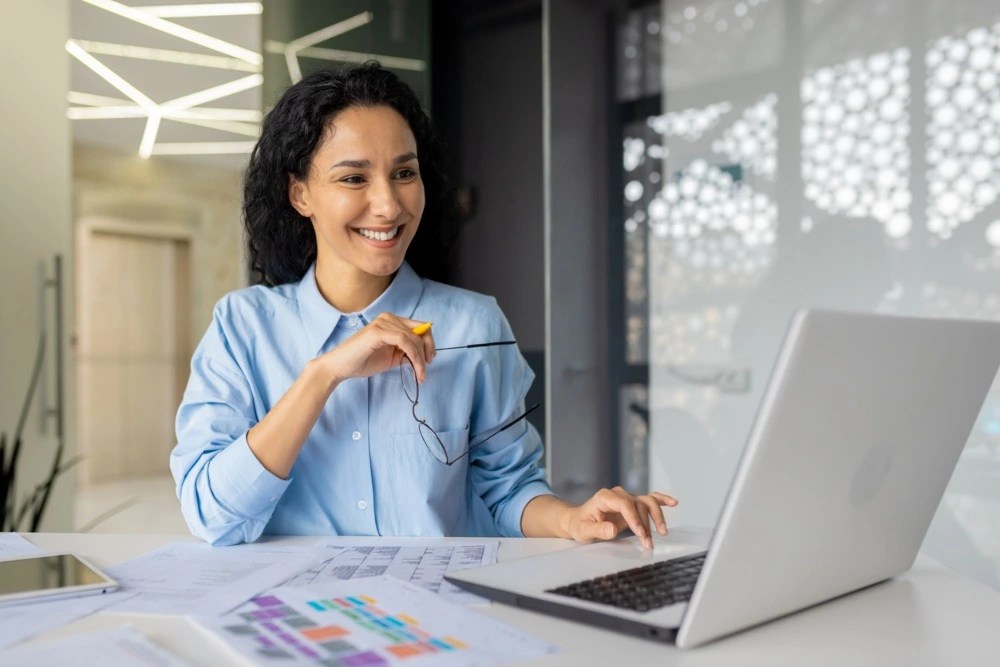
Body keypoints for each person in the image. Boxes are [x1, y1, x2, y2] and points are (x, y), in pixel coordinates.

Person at [170, 63, 677, 547]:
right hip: (297, 615)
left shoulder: (475, 323)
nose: (389, 205)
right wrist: (322, 375)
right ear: (300, 193)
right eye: (354, 178)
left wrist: (570, 519)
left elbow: (506, 489)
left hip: (437, 616)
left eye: (404, 173)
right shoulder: (242, 327)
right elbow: (212, 516)